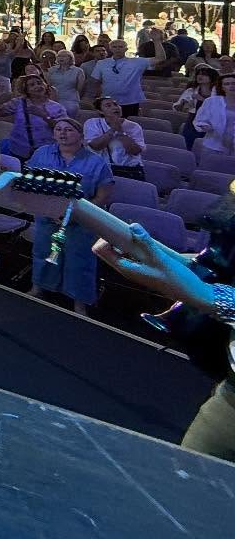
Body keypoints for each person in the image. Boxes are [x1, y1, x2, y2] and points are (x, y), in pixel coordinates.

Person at [92, 218, 235, 462]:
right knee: (189, 479)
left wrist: (206, 296)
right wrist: (152, 252)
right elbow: (210, 267)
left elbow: (207, 293)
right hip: (230, 401)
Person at [28, 116, 114, 316]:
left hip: (80, 220)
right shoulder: (42, 153)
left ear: (80, 136)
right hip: (47, 214)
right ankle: (39, 288)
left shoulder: (96, 162)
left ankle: (79, 303)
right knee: (43, 252)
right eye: (58, 129)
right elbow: (30, 179)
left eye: (68, 130)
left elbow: (103, 194)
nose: (62, 133)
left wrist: (76, 214)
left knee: (79, 260)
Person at [0, 73, 66, 162]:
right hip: (18, 150)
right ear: (26, 90)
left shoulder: (57, 107)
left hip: (45, 152)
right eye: (32, 85)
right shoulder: (18, 102)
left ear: (45, 85)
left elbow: (63, 129)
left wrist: (44, 116)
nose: (37, 86)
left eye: (40, 83)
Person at [83, 95, 146, 179]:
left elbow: (135, 151)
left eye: (116, 104)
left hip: (130, 170)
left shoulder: (134, 126)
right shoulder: (92, 123)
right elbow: (96, 146)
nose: (114, 107)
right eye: (108, 105)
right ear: (100, 111)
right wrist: (112, 130)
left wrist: (121, 132)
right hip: (101, 169)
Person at [87, 39, 151, 117]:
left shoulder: (136, 62)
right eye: (114, 47)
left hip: (130, 101)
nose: (117, 49)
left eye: (120, 47)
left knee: (128, 126)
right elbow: (95, 82)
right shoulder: (101, 63)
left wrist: (157, 41)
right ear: (110, 49)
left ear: (126, 49)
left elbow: (160, 59)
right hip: (108, 101)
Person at [175, 66, 218, 150]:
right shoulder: (190, 91)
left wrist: (202, 99)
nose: (200, 76)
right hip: (192, 122)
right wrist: (182, 104)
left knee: (207, 148)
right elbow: (177, 107)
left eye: (204, 75)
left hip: (212, 123)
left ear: (212, 77)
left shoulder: (219, 92)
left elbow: (219, 108)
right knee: (188, 146)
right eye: (198, 74)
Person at [194, 72, 235, 157]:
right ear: (222, 87)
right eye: (227, 84)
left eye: (234, 83)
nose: (231, 86)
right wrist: (206, 126)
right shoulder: (212, 101)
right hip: (213, 146)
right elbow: (199, 120)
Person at [45, 49, 85, 116]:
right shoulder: (51, 70)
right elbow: (48, 85)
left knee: (69, 112)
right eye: (59, 56)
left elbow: (80, 88)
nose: (61, 58)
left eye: (64, 56)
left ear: (70, 58)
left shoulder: (78, 71)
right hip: (54, 98)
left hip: (71, 99)